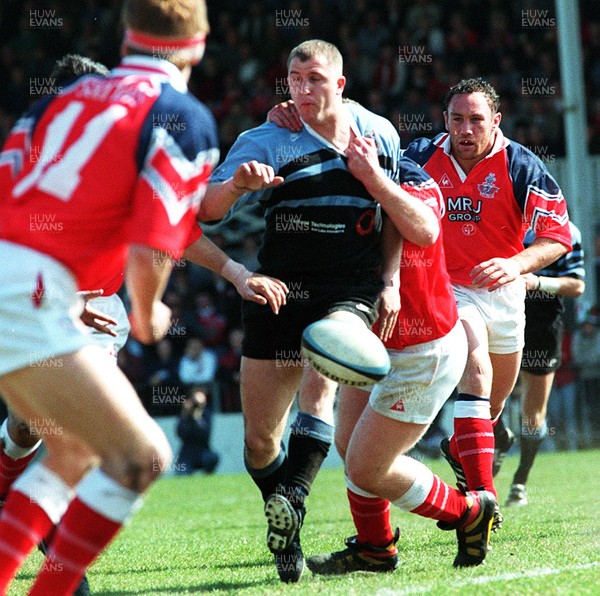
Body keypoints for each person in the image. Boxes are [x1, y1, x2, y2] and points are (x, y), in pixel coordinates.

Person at [268, 76, 572, 545]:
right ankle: (478, 508)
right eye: (456, 119)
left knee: (491, 409)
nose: (465, 129)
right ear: (444, 119)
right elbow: (368, 161)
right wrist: (295, 118)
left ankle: (462, 462)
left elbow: (556, 237)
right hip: (450, 291)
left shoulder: (521, 166)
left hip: (505, 292)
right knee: (474, 365)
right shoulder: (420, 154)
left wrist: (516, 263)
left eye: (475, 120)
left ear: (496, 121)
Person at [0, 0, 225, 591]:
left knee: (71, 449)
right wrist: (148, 313)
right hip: (32, 287)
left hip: (23, 280)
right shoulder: (182, 116)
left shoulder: (54, 102)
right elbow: (156, 238)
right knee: (140, 457)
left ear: (126, 37)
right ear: (197, 47)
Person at [198, 39, 436, 583]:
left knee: (322, 378)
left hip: (349, 289)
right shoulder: (265, 138)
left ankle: (295, 499)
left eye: (316, 79)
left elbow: (396, 214)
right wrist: (237, 185)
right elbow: (205, 213)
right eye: (295, 79)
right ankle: (284, 520)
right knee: (260, 441)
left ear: (340, 84)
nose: (304, 89)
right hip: (278, 290)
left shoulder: (378, 134)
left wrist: (392, 280)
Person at [305, 134, 499, 573]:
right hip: (372, 344)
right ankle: (375, 548)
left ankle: (469, 512)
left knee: (367, 467)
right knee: (349, 445)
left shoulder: (407, 172)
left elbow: (425, 229)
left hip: (421, 348)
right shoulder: (319, 183)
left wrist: (372, 176)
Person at [493, 222, 585, 506]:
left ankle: (520, 480)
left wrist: (537, 282)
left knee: (533, 413)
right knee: (484, 395)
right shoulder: (499, 216)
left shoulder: (567, 230)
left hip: (543, 322)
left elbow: (577, 285)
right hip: (501, 312)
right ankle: (499, 438)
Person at [175, 386, 219, 474]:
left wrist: (197, 418)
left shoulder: (206, 414)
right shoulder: (185, 415)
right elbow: (180, 433)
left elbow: (205, 433)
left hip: (202, 451)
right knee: (181, 473)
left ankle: (207, 478)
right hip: (187, 454)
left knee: (212, 458)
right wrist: (186, 416)